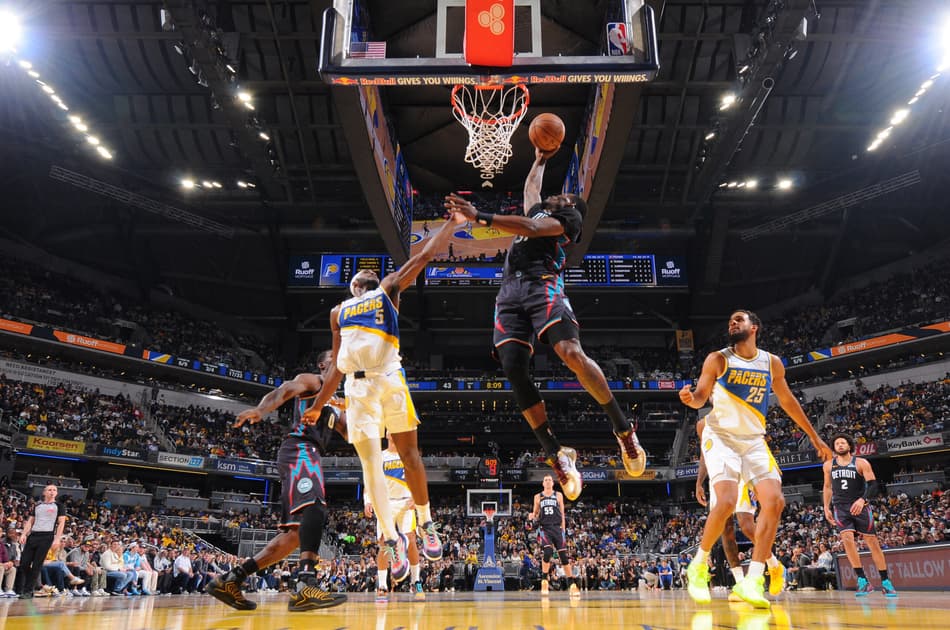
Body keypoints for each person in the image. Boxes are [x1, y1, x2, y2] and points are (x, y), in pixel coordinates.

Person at [443, 149, 647, 502]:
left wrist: (480, 216)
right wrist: (538, 159)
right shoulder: (540, 208)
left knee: (569, 351)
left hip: (543, 284)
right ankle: (557, 454)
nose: (557, 194)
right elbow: (530, 192)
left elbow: (533, 227)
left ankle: (623, 430)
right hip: (509, 293)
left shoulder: (568, 220)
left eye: (564, 195)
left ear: (570, 205)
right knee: (512, 368)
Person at [302, 217, 464, 577]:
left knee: (408, 455)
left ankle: (425, 522)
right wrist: (316, 407)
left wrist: (453, 225)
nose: (363, 278)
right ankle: (391, 540)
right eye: (362, 277)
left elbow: (423, 257)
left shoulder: (388, 291)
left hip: (389, 377)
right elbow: (336, 368)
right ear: (354, 286)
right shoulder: (338, 313)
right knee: (371, 463)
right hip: (357, 388)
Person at [679, 310, 831, 608]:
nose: (732, 323)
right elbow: (700, 396)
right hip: (721, 437)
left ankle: (754, 579)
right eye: (730, 321)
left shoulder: (771, 362)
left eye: (738, 319)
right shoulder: (718, 358)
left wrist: (814, 436)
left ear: (754, 327)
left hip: (753, 440)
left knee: (775, 501)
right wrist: (690, 399)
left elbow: (787, 400)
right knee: (725, 503)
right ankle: (698, 564)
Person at [206, 350, 348, 612]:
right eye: (334, 358)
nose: (341, 361)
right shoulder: (313, 381)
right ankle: (306, 584)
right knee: (315, 507)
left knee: (294, 535)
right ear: (322, 365)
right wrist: (261, 410)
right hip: (300, 449)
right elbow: (283, 390)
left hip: (310, 453)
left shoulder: (337, 401)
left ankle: (230, 580)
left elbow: (352, 434)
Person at [695, 417, 785, 597]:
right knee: (726, 530)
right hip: (720, 475)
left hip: (743, 470)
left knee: (746, 525)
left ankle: (773, 565)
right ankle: (740, 583)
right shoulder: (703, 424)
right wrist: (699, 482)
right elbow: (705, 454)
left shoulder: (739, 410)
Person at [823, 433, 897, 597]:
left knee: (872, 542)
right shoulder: (828, 465)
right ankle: (863, 580)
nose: (840, 445)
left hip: (860, 506)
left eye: (843, 443)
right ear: (834, 448)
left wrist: (862, 500)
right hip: (840, 507)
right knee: (847, 540)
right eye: (837, 443)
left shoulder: (861, 462)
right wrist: (826, 508)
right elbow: (827, 487)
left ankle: (885, 581)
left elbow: (873, 485)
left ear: (849, 446)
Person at [366, 438, 425, 602]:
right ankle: (383, 585)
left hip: (406, 502)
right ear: (387, 435)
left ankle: (416, 581)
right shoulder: (379, 456)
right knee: (384, 543)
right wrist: (367, 500)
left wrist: (416, 496)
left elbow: (417, 477)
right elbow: (369, 480)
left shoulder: (408, 454)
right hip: (385, 503)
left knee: (411, 539)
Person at [528, 474, 580, 598]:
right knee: (547, 552)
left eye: (549, 480)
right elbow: (535, 513)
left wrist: (563, 529)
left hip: (557, 527)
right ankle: (544, 580)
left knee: (564, 557)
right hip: (545, 528)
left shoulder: (558, 495)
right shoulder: (537, 497)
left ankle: (572, 585)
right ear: (543, 483)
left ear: (553, 483)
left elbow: (562, 513)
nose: (547, 482)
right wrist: (532, 516)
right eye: (545, 480)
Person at [17, 484, 66, 599]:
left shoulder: (59, 506)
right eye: (49, 490)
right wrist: (24, 534)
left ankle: (28, 591)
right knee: (24, 563)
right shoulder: (38, 505)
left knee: (37, 565)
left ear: (56, 493)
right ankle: (37, 586)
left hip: (47, 536)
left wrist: (57, 539)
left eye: (54, 490)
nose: (52, 492)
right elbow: (30, 521)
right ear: (44, 492)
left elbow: (61, 523)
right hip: (33, 535)